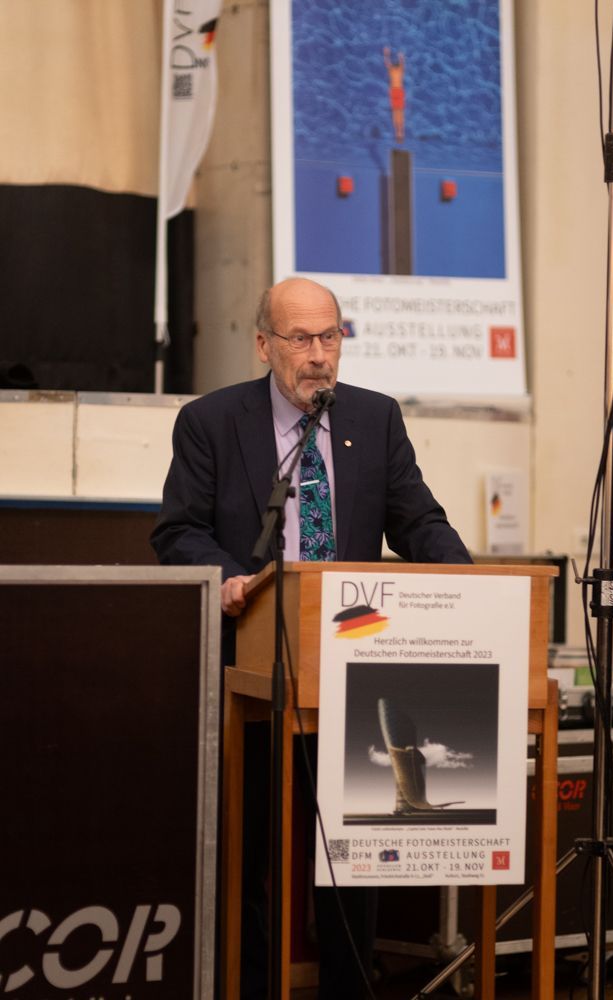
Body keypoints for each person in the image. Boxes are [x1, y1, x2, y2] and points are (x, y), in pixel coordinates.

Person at [151, 276, 471, 998]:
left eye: (329, 337)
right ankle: (249, 985)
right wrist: (232, 579)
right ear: (264, 345)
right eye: (300, 339)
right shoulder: (210, 422)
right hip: (252, 670)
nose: (319, 355)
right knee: (247, 855)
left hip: (354, 673)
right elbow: (179, 531)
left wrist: (469, 584)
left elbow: (417, 521)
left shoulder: (376, 418)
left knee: (351, 856)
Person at [383, 46, 406, 143]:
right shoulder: (395, 70)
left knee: (398, 111)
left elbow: (388, 63)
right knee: (397, 111)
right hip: (397, 91)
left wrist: (386, 54)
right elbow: (388, 63)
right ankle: (399, 132)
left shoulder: (395, 70)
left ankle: (400, 132)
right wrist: (386, 54)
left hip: (396, 91)